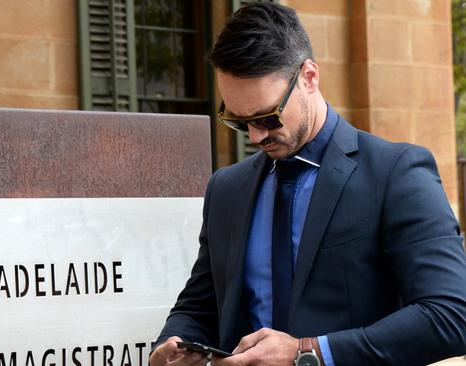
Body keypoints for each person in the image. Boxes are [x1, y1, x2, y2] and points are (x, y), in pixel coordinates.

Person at [149, 2, 466, 366]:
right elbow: (200, 305)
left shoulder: (396, 172)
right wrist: (173, 344)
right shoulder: (226, 188)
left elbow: (451, 315)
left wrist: (306, 352)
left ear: (309, 77)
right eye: (237, 121)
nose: (255, 136)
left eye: (267, 117)